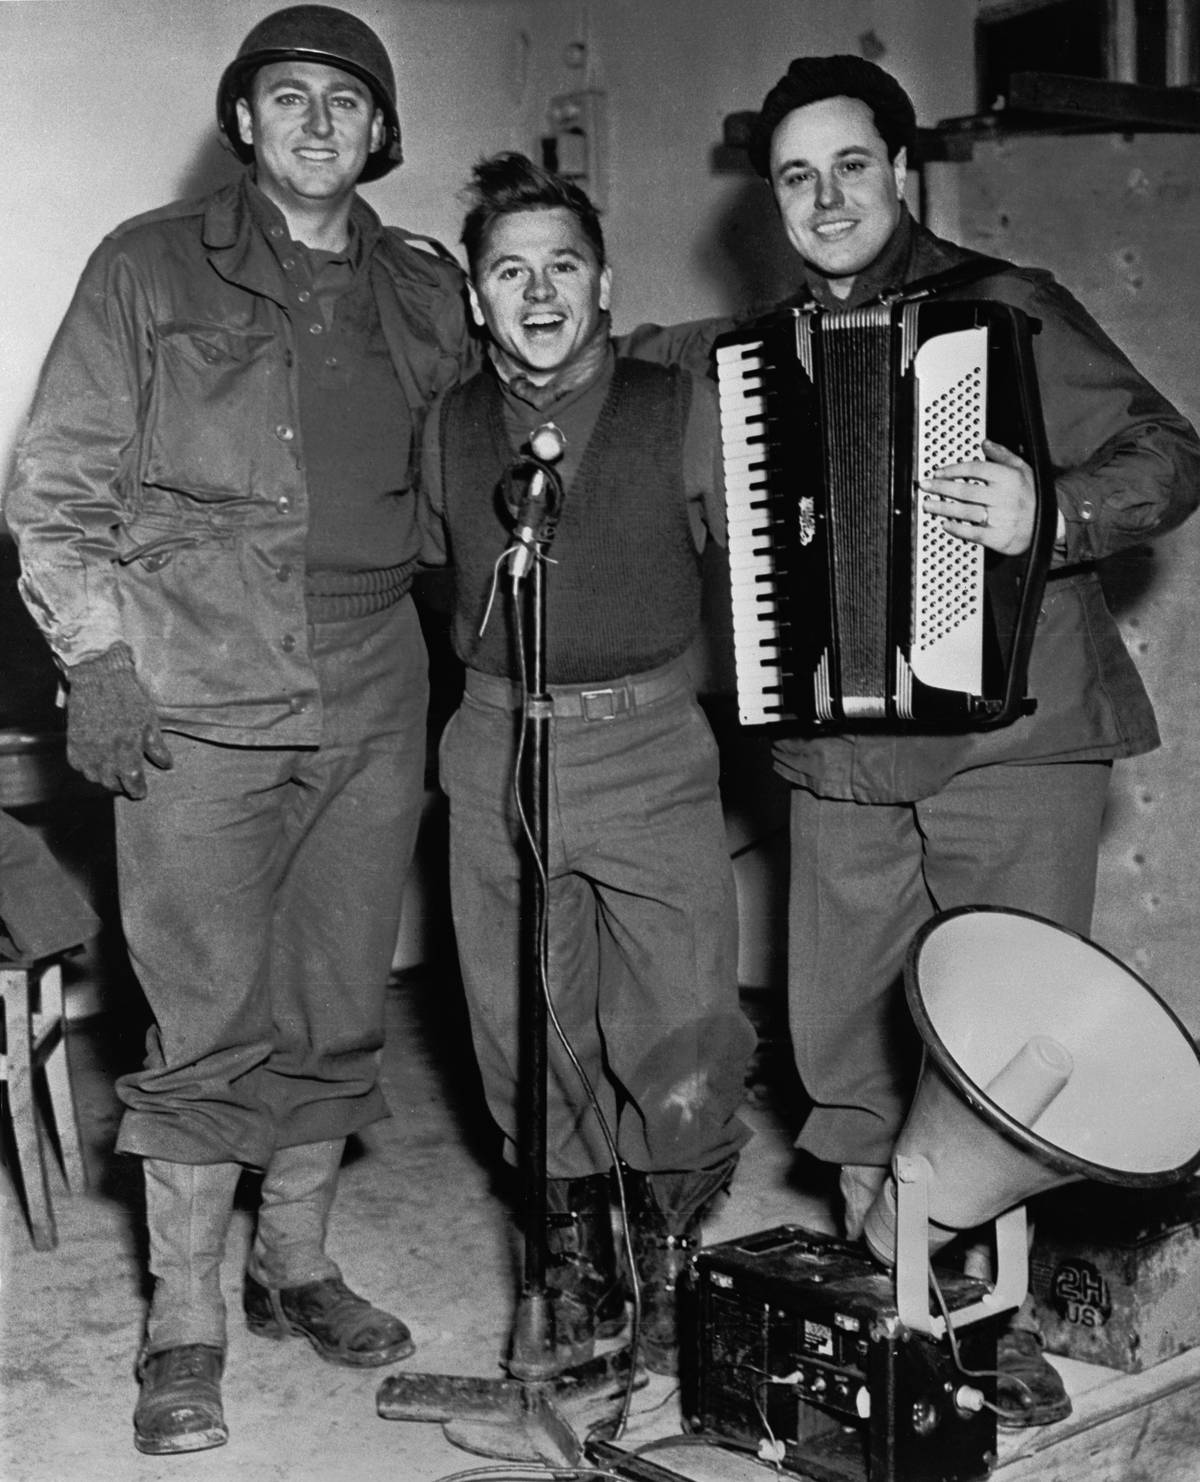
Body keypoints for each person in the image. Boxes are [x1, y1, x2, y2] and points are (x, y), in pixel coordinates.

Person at [625, 54, 1200, 1424]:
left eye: (850, 166)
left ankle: (999, 1311)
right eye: (796, 177)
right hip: (842, 757)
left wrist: (1051, 513)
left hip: (1017, 734)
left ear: (901, 171)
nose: (826, 199)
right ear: (771, 199)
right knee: (848, 1036)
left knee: (1015, 1036)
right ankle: (902, 1300)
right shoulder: (747, 362)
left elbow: (1170, 452)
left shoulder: (1008, 305)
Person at [4, 4, 472, 1456]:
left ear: (380, 132)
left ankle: (297, 1264)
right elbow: (54, 487)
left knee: (340, 997)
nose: (318, 121)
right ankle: (184, 1320)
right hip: (200, 686)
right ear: (244, 120)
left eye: (347, 99)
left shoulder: (426, 287)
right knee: (207, 1017)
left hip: (379, 677)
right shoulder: (147, 265)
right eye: (288, 96)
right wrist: (99, 660)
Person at [420, 152, 757, 1375]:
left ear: (604, 282)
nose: (539, 292)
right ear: (476, 298)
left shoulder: (684, 406)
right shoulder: (448, 425)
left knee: (682, 1010)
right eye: (510, 271)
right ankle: (569, 1257)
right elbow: (427, 574)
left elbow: (765, 563)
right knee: (520, 1015)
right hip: (495, 744)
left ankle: (666, 1256)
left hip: (650, 745)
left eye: (563, 265)